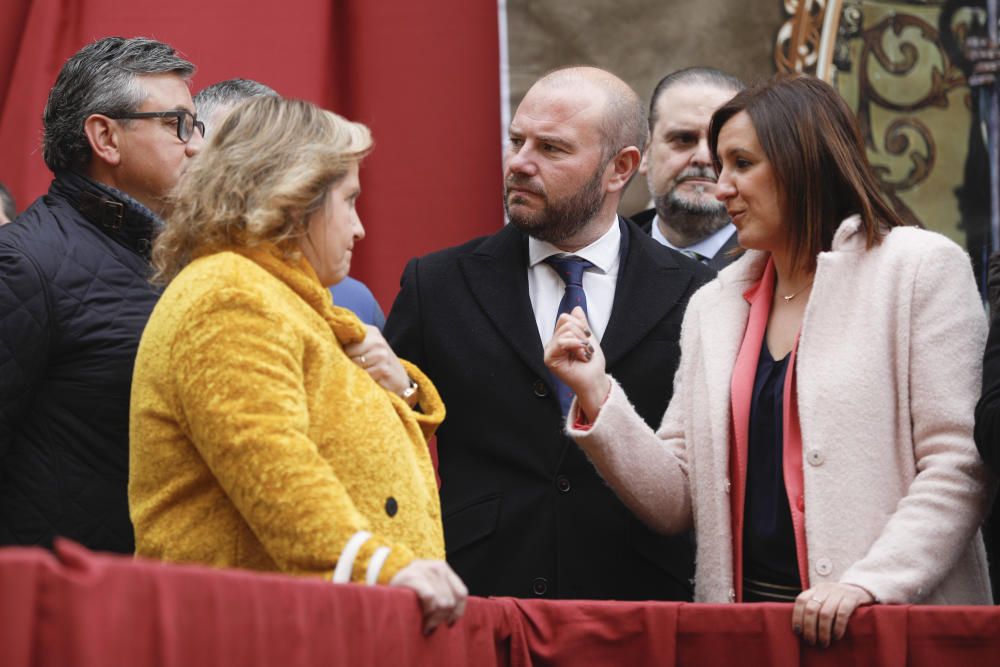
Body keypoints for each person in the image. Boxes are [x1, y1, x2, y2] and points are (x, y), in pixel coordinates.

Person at [546, 74, 992, 646]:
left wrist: (868, 586)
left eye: (741, 163)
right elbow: (679, 499)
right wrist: (596, 393)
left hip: (893, 628)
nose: (721, 185)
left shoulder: (919, 268)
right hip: (749, 634)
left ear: (803, 161)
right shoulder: (714, 302)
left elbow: (958, 465)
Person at [129, 96, 465, 633]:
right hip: (257, 637)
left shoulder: (284, 299)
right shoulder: (230, 296)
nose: (358, 229)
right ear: (295, 201)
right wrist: (382, 568)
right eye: (349, 201)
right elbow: (274, 470)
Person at [385, 66, 714, 600]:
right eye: (517, 140)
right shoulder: (438, 284)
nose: (519, 162)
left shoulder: (699, 293)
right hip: (479, 602)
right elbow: (384, 442)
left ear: (620, 168)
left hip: (638, 610)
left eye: (551, 148)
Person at [0, 37, 202, 552]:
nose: (195, 144)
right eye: (176, 124)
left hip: (155, 596)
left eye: (195, 125)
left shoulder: (186, 260)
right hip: (56, 603)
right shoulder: (22, 263)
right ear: (105, 138)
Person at [194, 78, 386, 328]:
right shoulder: (176, 279)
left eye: (274, 162)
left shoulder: (355, 301)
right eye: (236, 159)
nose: (255, 181)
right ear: (193, 154)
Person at [632, 67, 743, 270]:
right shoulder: (608, 257)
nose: (703, 158)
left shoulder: (780, 270)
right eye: (684, 139)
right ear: (646, 150)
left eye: (719, 142)